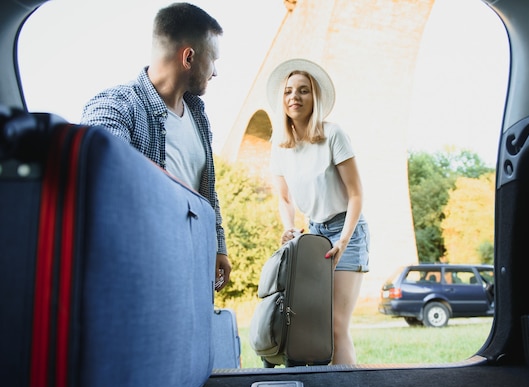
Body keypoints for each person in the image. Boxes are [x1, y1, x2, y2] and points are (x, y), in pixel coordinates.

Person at [80, 2, 231, 291]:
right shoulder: (116, 105)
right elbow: (105, 176)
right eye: (213, 60)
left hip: (194, 266)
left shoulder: (198, 115)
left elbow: (206, 190)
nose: (215, 72)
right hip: (142, 271)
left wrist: (217, 243)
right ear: (189, 57)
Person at [266, 58, 370, 365]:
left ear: (315, 97)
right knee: (314, 324)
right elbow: (285, 198)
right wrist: (290, 227)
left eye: (303, 90)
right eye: (288, 91)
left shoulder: (333, 135)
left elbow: (356, 194)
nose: (294, 97)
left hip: (346, 232)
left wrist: (344, 241)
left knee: (336, 325)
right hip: (314, 234)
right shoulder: (279, 145)